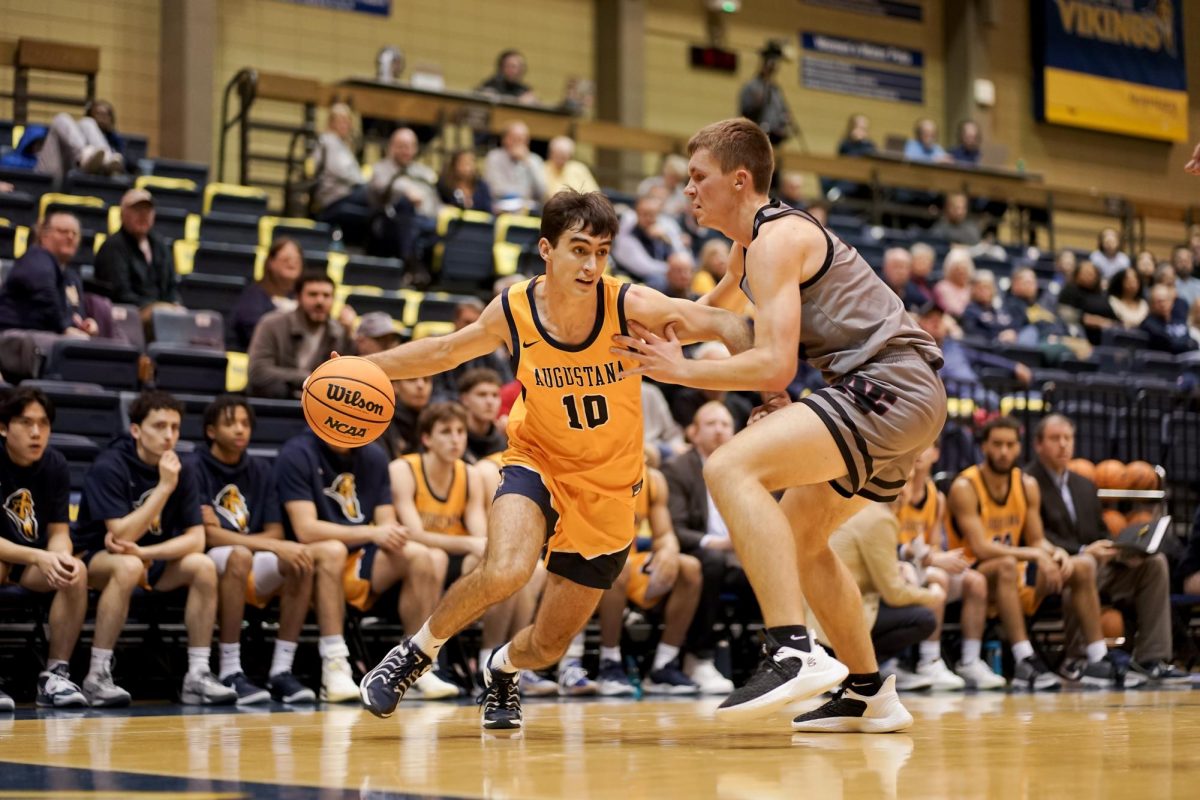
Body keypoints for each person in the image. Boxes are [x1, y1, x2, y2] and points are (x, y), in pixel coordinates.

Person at [356, 189, 752, 730]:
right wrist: (366, 367)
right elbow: (446, 350)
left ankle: (504, 669)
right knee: (507, 569)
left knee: (547, 643)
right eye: (579, 249)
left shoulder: (626, 305)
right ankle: (416, 653)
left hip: (609, 489)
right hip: (536, 458)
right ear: (547, 249)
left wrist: (768, 383)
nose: (592, 265)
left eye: (603, 252)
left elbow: (721, 324)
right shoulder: (515, 309)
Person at [614, 118, 946, 732]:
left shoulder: (775, 239)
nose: (688, 190)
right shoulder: (750, 249)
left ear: (739, 181)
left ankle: (792, 649)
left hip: (887, 385)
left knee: (729, 465)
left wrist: (678, 372)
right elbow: (703, 319)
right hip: (895, 394)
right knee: (799, 539)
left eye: (698, 178)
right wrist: (617, 317)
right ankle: (869, 691)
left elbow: (772, 360)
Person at [72, 391, 238, 706]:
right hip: (97, 559)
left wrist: (147, 554)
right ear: (136, 430)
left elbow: (196, 539)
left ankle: (198, 674)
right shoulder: (110, 465)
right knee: (128, 566)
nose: (169, 435)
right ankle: (96, 675)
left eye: (175, 427)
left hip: (149, 559)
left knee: (201, 565)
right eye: (159, 426)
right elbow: (122, 534)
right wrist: (163, 488)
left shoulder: (183, 468)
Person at [947, 417, 1132, 689]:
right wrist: (1035, 555)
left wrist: (1056, 553)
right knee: (1006, 564)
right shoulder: (965, 486)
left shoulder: (1026, 484)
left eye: (1010, 445)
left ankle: (1096, 658)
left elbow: (1037, 539)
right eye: (997, 444)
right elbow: (981, 548)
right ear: (984, 447)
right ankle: (1024, 657)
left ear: (1019, 448)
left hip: (1014, 571)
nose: (1003, 451)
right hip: (974, 573)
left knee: (1079, 566)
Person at [190, 396, 352, 704]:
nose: (240, 430)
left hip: (249, 556)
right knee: (239, 556)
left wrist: (264, 542)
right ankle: (229, 670)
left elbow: (275, 531)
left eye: (245, 424)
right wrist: (266, 543)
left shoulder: (260, 469)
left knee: (300, 559)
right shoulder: (194, 466)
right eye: (230, 423)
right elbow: (207, 536)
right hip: (210, 561)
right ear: (211, 431)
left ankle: (281, 671)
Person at [276, 428, 457, 702]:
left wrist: (388, 533)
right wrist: (372, 532)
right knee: (333, 550)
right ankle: (334, 666)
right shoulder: (297, 452)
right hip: (307, 559)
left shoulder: (373, 455)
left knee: (421, 555)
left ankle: (412, 665)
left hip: (359, 553)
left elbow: (385, 521)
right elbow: (305, 529)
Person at [1027, 414, 1189, 685]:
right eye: (1055, 439)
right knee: (1084, 566)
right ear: (1038, 444)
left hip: (1099, 567)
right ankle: (1079, 658)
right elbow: (1036, 535)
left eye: (1068, 438)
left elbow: (1101, 531)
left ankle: (1151, 659)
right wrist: (1084, 549)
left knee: (1155, 563)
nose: (1063, 445)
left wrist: (1122, 549)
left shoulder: (1085, 485)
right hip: (1055, 570)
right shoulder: (1028, 482)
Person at [390, 402, 541, 691]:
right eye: (446, 432)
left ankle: (494, 659)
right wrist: (471, 543)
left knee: (506, 568)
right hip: (410, 562)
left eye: (460, 431)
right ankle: (416, 661)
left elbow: (477, 530)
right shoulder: (404, 468)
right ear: (426, 439)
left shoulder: (468, 473)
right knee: (431, 557)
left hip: (452, 562)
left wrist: (494, 548)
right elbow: (414, 534)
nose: (456, 439)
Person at [0, 388, 88, 710]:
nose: (36, 433)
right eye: (26, 423)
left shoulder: (55, 464)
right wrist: (38, 555)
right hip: (10, 555)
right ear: (4, 427)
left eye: (44, 424)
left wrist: (60, 555)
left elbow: (59, 531)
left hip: (29, 558)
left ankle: (55, 675)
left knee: (75, 572)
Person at [893, 445, 1001, 690]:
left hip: (922, 565)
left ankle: (970, 661)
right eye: (915, 444)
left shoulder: (937, 497)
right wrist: (932, 558)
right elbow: (890, 543)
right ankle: (929, 660)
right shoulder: (895, 489)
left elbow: (932, 545)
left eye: (927, 445)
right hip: (899, 566)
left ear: (936, 453)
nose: (919, 451)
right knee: (938, 577)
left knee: (975, 581)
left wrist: (941, 556)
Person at [595, 458, 705, 696]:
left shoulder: (652, 479)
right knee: (617, 566)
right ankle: (609, 662)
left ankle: (664, 664)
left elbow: (665, 534)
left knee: (689, 567)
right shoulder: (593, 471)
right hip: (587, 556)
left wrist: (668, 551)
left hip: (629, 557)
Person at [661, 401, 750, 693]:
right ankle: (699, 658)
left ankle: (781, 655)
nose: (720, 430)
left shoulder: (745, 468)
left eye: (725, 424)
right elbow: (675, 528)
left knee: (782, 564)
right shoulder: (678, 468)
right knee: (711, 562)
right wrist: (720, 543)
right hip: (699, 552)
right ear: (693, 433)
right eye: (711, 424)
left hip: (742, 554)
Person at [247, 271, 354, 399]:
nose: (320, 301)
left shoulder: (339, 332)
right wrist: (308, 378)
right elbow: (258, 372)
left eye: (326, 296)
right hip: (273, 402)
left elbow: (348, 379)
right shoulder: (271, 324)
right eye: (312, 294)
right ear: (298, 297)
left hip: (318, 406)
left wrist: (350, 335)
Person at [0, 211, 96, 337]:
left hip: (47, 334)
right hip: (18, 334)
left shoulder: (71, 276)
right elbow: (46, 296)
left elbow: (74, 312)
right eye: (63, 231)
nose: (70, 237)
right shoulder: (36, 259)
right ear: (44, 235)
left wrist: (85, 324)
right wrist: (65, 329)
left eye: (75, 234)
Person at [92, 189, 180, 318]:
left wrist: (174, 304)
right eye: (137, 210)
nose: (143, 215)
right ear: (122, 214)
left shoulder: (160, 245)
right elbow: (120, 293)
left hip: (162, 315)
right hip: (128, 315)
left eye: (148, 210)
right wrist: (157, 309)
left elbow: (171, 286)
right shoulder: (112, 246)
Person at [313, 103, 371, 245]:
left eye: (347, 121)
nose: (346, 125)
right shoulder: (328, 141)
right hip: (335, 196)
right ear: (331, 122)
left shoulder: (341, 144)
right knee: (374, 193)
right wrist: (362, 180)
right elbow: (339, 170)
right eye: (341, 121)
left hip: (347, 194)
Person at [229, 238, 302, 351]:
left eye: (296, 260)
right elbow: (251, 330)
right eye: (286, 259)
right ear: (271, 263)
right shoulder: (255, 294)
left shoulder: (306, 295)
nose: (292, 263)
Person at [35, 100, 125, 188]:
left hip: (87, 178)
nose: (102, 118)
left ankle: (105, 160)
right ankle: (85, 157)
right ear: (91, 114)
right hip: (52, 178)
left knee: (87, 123)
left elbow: (126, 165)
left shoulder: (115, 140)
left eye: (106, 115)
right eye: (98, 114)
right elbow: (25, 157)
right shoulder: (67, 133)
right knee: (62, 119)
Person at [737, 42, 794, 146]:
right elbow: (744, 113)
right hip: (754, 140)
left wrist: (785, 121)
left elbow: (783, 114)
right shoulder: (751, 86)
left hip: (774, 140)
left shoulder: (776, 90)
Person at [484, 122, 547, 214]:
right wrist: (521, 196)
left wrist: (527, 163)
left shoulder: (534, 160)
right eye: (514, 139)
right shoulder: (494, 157)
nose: (518, 143)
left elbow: (542, 192)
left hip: (528, 210)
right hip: (501, 208)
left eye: (522, 139)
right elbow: (494, 189)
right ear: (504, 139)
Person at [458, 368, 507, 462]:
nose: (490, 401)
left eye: (495, 395)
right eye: (482, 395)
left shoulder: (503, 439)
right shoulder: (454, 436)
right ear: (465, 399)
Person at [1141, 284, 1198, 354]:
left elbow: (1193, 343)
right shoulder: (1149, 324)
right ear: (1151, 305)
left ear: (1172, 302)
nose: (1163, 304)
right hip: (1164, 363)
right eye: (1159, 302)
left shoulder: (1178, 319)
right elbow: (1171, 345)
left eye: (1166, 300)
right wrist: (1187, 344)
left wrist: (1189, 344)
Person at [437, 150, 492, 214]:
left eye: (472, 162)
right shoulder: (444, 186)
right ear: (455, 165)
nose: (469, 167)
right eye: (464, 163)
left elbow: (488, 211)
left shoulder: (482, 186)